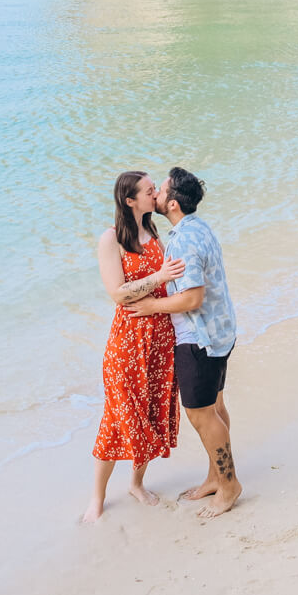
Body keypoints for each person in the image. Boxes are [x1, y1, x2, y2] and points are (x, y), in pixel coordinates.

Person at [126, 167, 240, 518]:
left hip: (198, 339)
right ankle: (215, 477)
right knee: (215, 408)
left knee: (200, 414)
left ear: (172, 203)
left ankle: (230, 486)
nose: (156, 195)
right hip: (220, 331)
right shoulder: (196, 226)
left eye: (159, 191)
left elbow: (192, 299)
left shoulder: (183, 240)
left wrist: (150, 307)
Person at [83, 170, 186, 523]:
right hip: (127, 342)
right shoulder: (111, 239)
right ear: (130, 201)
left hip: (160, 338)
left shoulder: (154, 232)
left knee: (152, 413)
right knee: (115, 418)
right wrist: (159, 277)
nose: (155, 193)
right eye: (148, 190)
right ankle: (97, 499)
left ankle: (136, 484)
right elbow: (117, 293)